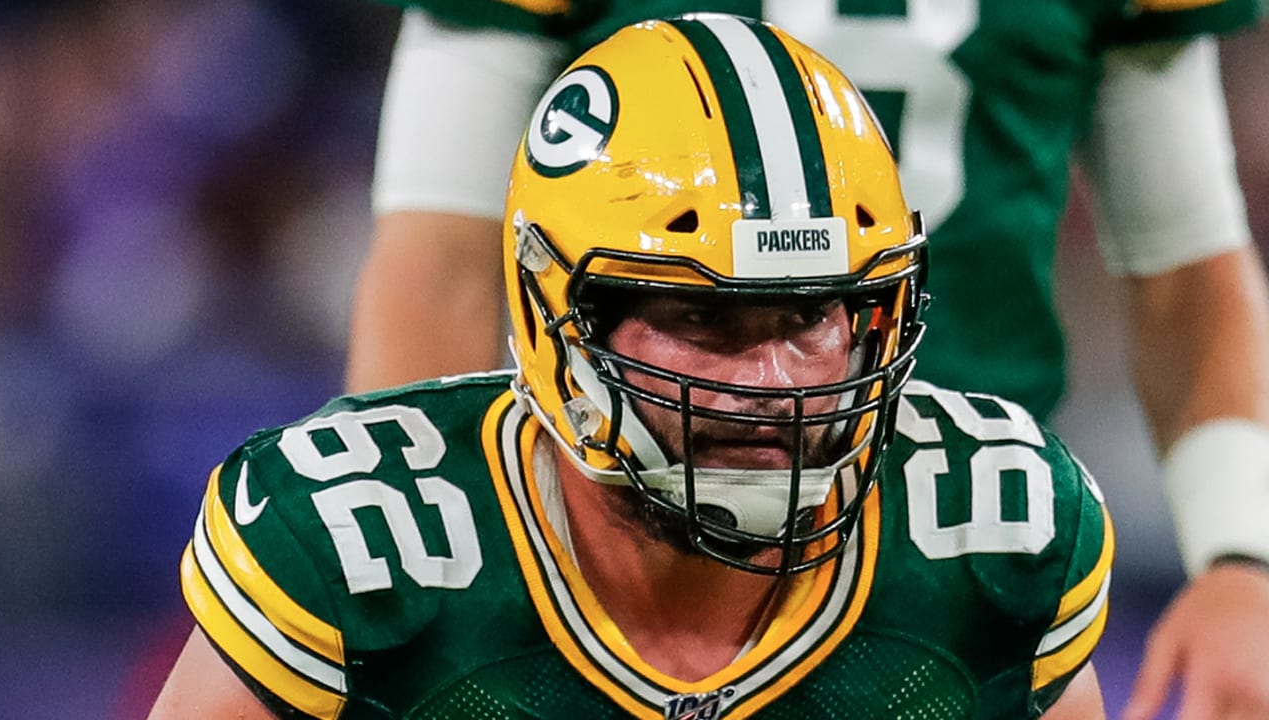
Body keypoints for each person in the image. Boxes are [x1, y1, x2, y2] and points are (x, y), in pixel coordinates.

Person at [150, 16, 1113, 718]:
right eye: (703, 318)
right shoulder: (366, 546)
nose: (774, 382)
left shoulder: (993, 532)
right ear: (560, 317)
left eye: (808, 315)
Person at [347, 2, 1269, 718]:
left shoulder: (1019, 526)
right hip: (610, 528)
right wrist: (420, 565)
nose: (769, 377)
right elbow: (443, 257)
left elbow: (1186, 262)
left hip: (955, 535)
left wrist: (1242, 558)